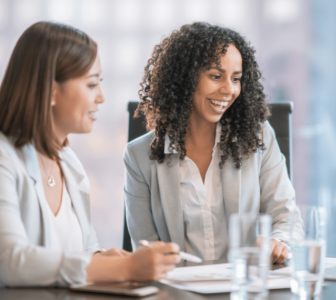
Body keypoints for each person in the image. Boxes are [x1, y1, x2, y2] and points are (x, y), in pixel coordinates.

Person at [0, 21, 180, 288]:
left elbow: (85, 250)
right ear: (50, 90)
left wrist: (102, 257)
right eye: (92, 84)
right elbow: (10, 262)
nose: (101, 98)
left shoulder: (68, 162)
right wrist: (124, 266)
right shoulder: (5, 158)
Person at [124, 22, 303, 264]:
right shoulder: (138, 156)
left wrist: (279, 241)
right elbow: (145, 250)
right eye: (216, 76)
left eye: (236, 79)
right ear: (184, 79)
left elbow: (287, 217)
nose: (229, 90)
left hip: (245, 285)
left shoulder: (258, 137)